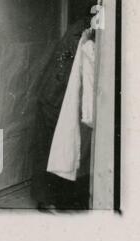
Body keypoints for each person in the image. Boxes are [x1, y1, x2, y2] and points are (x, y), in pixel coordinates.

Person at [31, 5, 96, 211]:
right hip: (55, 97)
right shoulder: (81, 33)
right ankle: (46, 199)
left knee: (65, 149)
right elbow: (64, 70)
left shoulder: (80, 31)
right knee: (53, 149)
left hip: (58, 96)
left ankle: (61, 197)